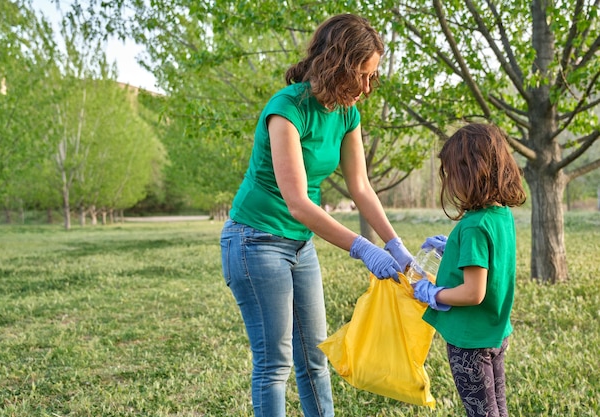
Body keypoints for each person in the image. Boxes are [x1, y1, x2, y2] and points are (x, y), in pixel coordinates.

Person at [220, 13, 413, 417]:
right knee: (276, 363)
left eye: (371, 77)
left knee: (314, 357)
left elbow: (360, 186)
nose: (365, 87)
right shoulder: (286, 109)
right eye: (360, 74)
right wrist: (362, 248)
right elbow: (298, 203)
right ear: (334, 64)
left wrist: (395, 245)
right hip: (255, 241)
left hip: (299, 245)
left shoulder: (347, 113)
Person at [413, 123, 527, 417]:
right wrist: (451, 246)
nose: (449, 182)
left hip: (469, 343)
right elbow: (492, 262)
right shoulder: (500, 215)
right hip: (495, 332)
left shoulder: (474, 225)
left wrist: (434, 294)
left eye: (452, 173)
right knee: (497, 410)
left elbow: (473, 292)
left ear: (471, 172)